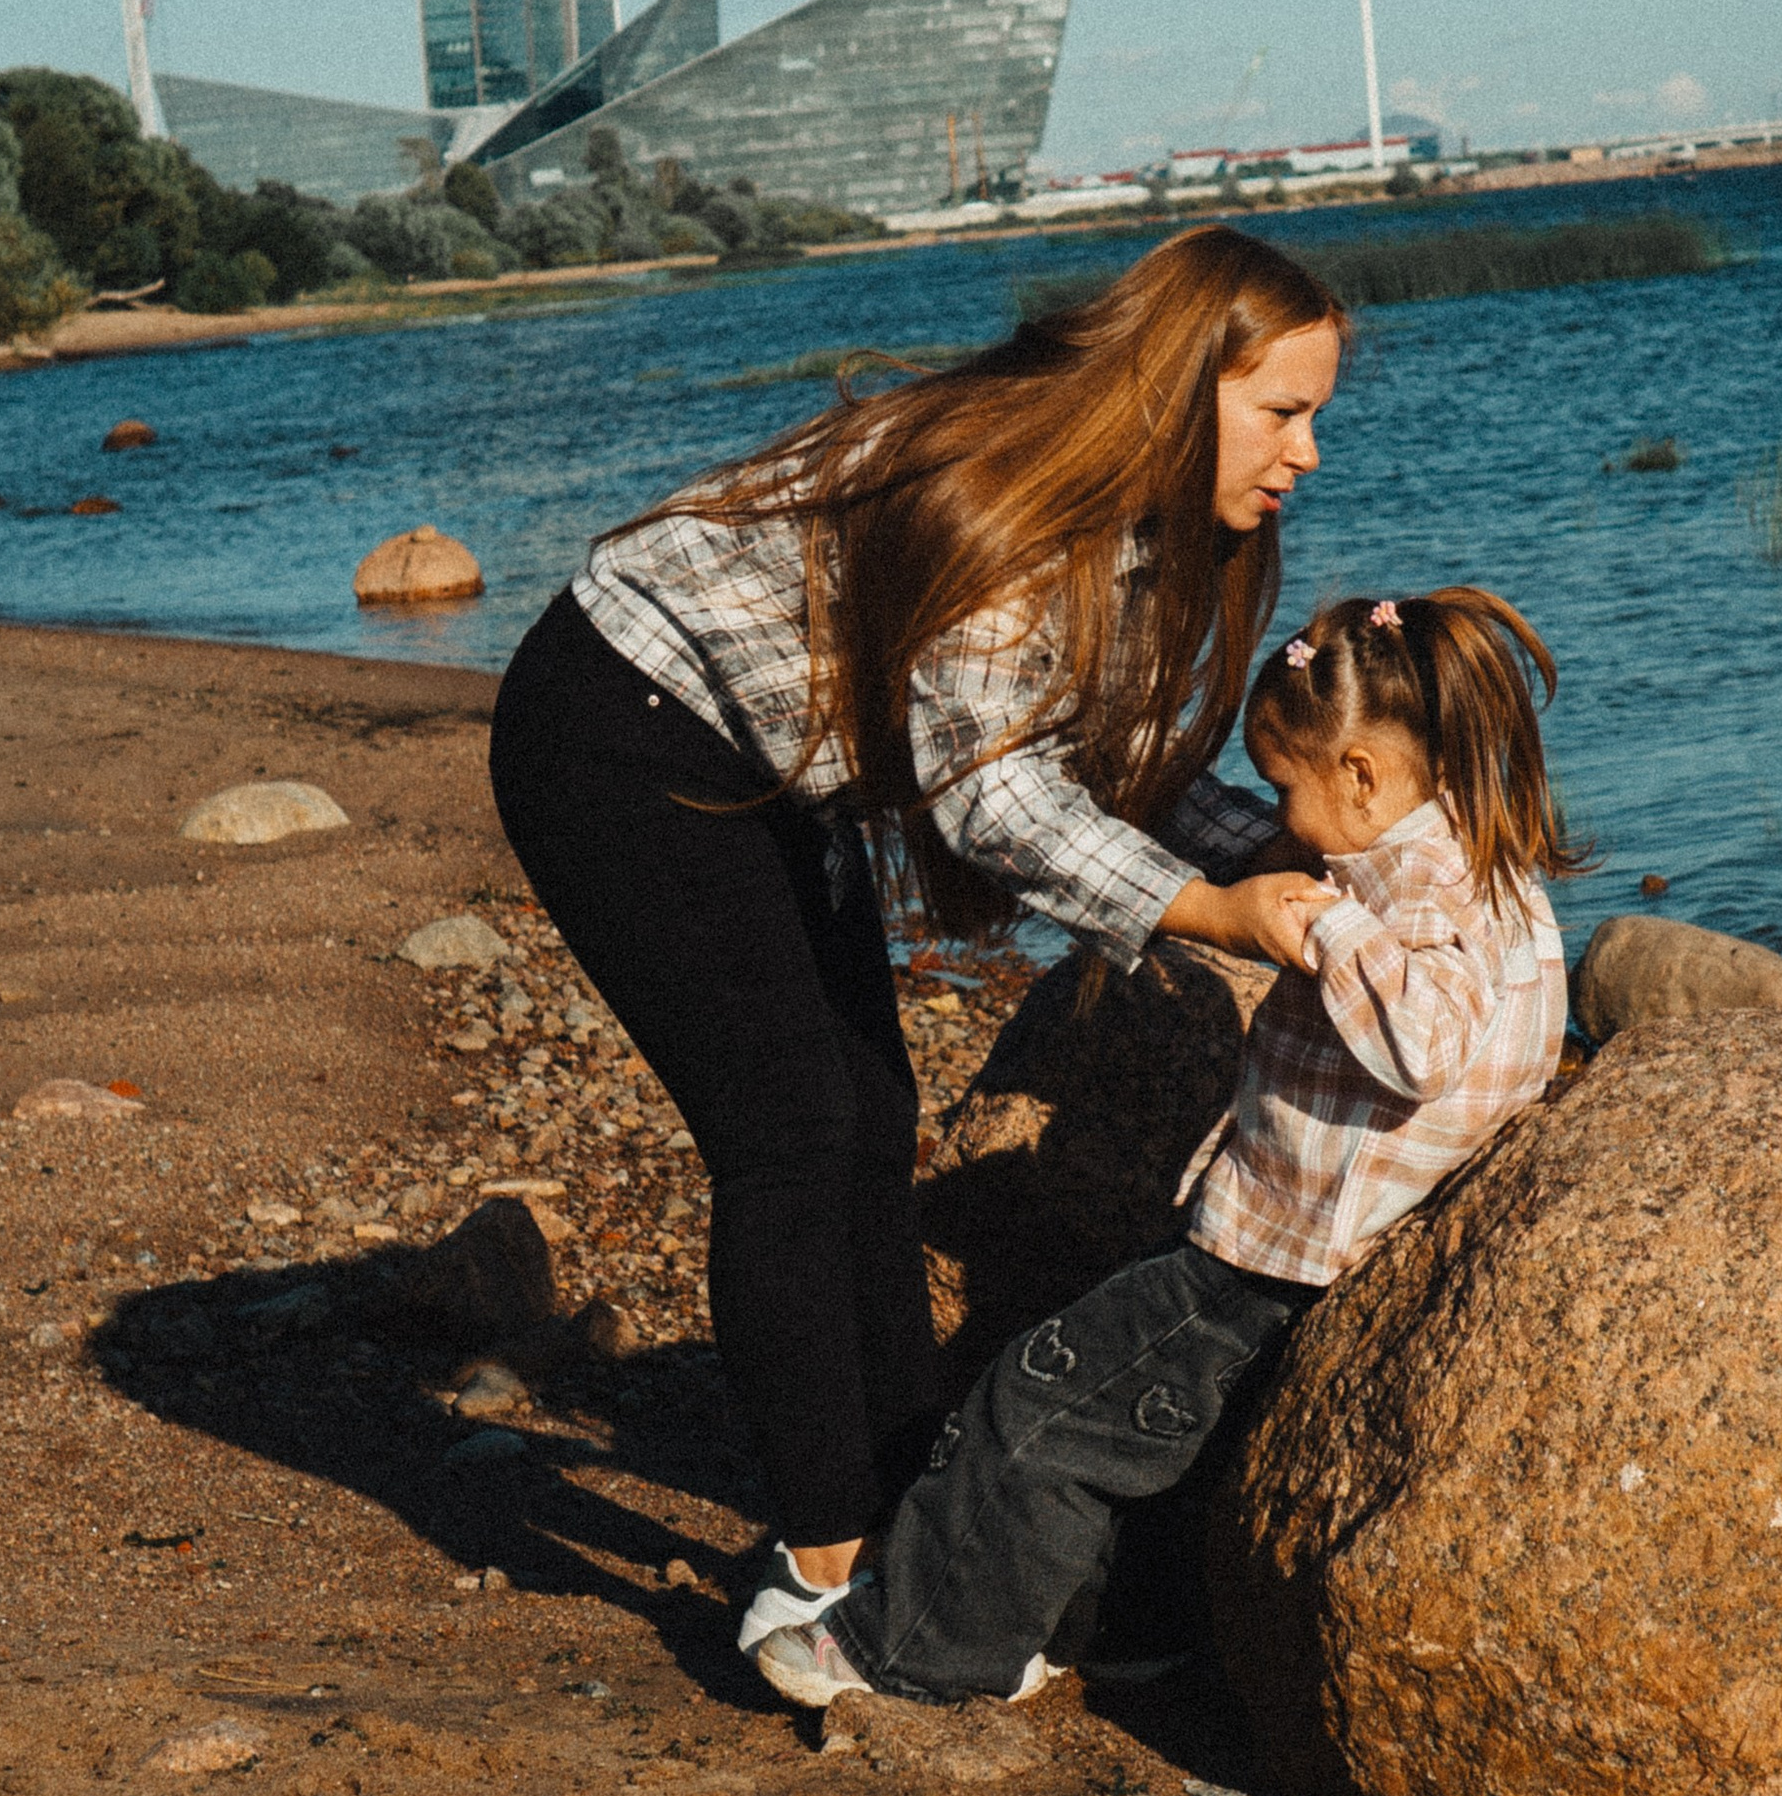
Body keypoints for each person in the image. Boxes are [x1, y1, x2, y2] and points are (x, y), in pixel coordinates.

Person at [486, 222, 1347, 1653]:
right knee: (792, 1130)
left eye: (1314, 414)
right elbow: (993, 794)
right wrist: (1212, 912)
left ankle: (906, 1511)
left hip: (761, 754)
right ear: (1174, 389)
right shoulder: (1011, 492)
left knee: (870, 1120)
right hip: (617, 725)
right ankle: (826, 1574)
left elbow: (1117, 761)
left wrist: (1289, 864)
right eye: (1282, 411)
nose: (1306, 450)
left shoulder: (1134, 529)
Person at [748, 583, 1578, 1710]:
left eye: (1288, 787)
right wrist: (1130, 769)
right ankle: (1135, 1635)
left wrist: (1332, 930)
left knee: (1036, 1412)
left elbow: (1423, 1044)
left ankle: (916, 1654)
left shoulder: (1406, 905)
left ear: (1362, 778)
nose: (1279, 818)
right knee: (1169, 1452)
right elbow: (1242, 847)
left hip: (1265, 1262)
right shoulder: (1485, 871)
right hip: (1336, 1257)